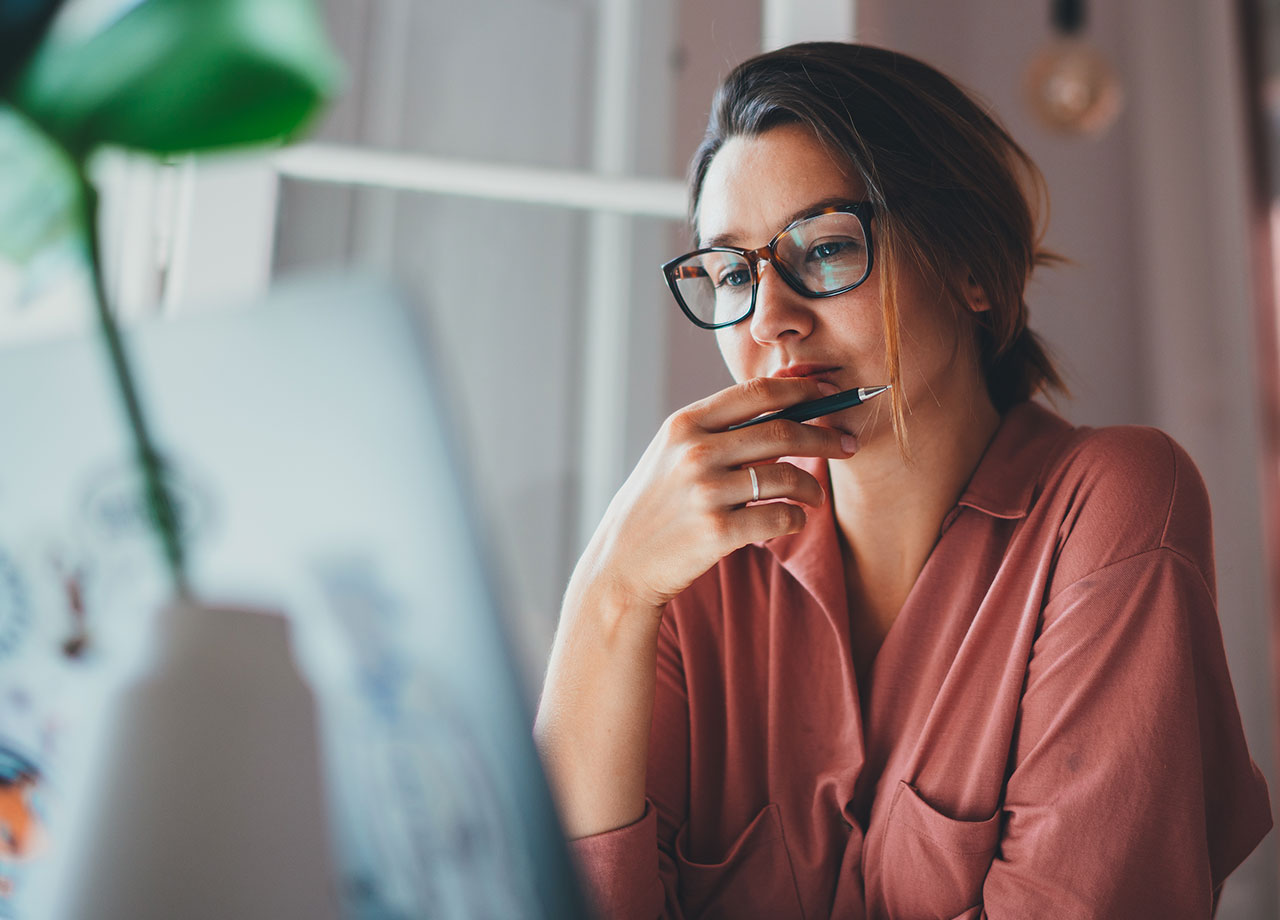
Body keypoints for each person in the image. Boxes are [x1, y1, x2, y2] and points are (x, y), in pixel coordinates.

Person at [533, 42, 1273, 919]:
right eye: (734, 272)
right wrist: (609, 592)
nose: (770, 316)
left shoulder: (1110, 505)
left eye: (828, 249)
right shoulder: (690, 566)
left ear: (968, 266)